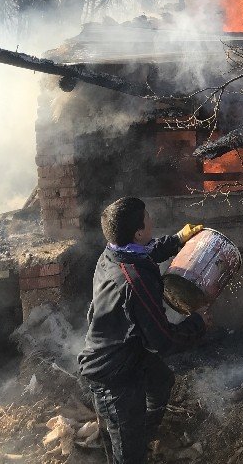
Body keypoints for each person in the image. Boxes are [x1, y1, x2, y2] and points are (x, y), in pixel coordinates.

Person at [78, 196, 210, 464]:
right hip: (112, 373)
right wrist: (198, 323)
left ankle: (144, 432)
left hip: (129, 347)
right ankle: (130, 440)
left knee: (161, 382)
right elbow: (164, 340)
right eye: (147, 217)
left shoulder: (115, 252)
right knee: (128, 454)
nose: (151, 219)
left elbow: (148, 251)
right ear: (138, 232)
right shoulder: (134, 282)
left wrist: (178, 239)